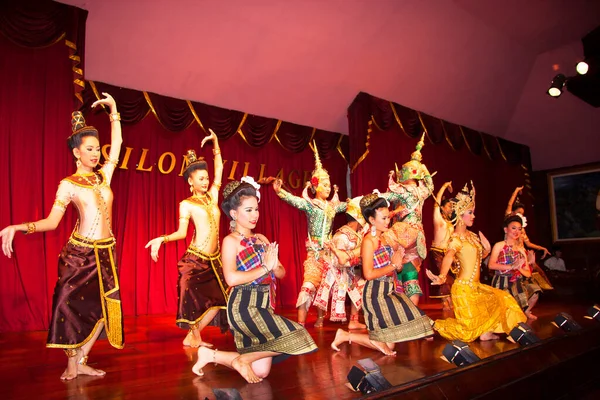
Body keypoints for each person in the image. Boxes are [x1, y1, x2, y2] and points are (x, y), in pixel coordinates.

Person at [0, 94, 124, 380]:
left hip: (106, 252)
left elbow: (116, 147)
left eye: (97, 149)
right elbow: (51, 222)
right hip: (79, 255)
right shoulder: (67, 185)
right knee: (68, 308)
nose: (96, 154)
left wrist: (115, 111)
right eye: (89, 149)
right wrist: (18, 227)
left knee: (107, 309)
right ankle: (72, 361)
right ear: (76, 153)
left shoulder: (104, 176)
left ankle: (83, 360)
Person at [192, 177, 317, 383]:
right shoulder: (230, 241)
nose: (255, 215)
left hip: (264, 304)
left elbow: (281, 273)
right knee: (300, 335)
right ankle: (241, 361)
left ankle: (211, 356)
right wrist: (264, 267)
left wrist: (274, 265)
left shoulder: (262, 239)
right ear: (234, 213)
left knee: (261, 371)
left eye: (256, 209)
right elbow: (231, 278)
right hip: (244, 305)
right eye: (248, 210)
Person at [145, 130, 227, 347]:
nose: (205, 181)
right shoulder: (187, 204)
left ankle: (194, 336)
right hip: (195, 259)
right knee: (190, 298)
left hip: (214, 260)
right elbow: (181, 233)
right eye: (200, 178)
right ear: (190, 180)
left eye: (206, 178)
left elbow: (219, 169)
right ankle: (195, 336)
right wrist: (161, 240)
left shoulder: (213, 197)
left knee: (220, 302)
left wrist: (216, 143)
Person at [330, 192, 434, 355]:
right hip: (375, 294)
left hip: (389, 290)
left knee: (395, 341)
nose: (388, 221)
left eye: (388, 217)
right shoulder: (368, 241)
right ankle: (345, 335)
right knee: (389, 344)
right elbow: (369, 274)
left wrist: (398, 264)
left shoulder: (385, 239)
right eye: (384, 218)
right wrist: (393, 265)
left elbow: (394, 268)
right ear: (372, 220)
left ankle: (344, 335)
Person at [427, 183, 527, 342]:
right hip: (463, 290)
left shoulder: (473, 236)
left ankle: (490, 332)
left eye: (473, 212)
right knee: (467, 334)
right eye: (470, 213)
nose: (473, 216)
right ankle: (433, 325)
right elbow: (449, 256)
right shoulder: (455, 238)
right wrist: (442, 275)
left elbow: (476, 260)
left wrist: (486, 251)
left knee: (503, 298)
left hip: (476, 287)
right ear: (460, 214)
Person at [272, 142, 347, 327]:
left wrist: (361, 203)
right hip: (314, 254)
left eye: (330, 185)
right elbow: (293, 200)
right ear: (314, 186)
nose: (328, 188)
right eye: (324, 184)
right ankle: (300, 324)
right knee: (308, 287)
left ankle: (321, 318)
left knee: (324, 287)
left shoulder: (332, 207)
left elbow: (349, 206)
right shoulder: (310, 205)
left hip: (329, 254)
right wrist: (279, 191)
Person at [382, 134, 434, 306]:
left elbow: (386, 196)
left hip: (403, 233)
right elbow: (430, 185)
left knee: (381, 247)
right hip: (418, 236)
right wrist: (423, 168)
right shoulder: (422, 192)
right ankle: (411, 315)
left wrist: (374, 198)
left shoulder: (403, 190)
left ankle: (409, 314)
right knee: (410, 273)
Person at [314, 196, 367, 329]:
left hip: (348, 269)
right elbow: (339, 260)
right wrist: (356, 260)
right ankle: (320, 318)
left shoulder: (356, 233)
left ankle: (353, 321)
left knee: (360, 288)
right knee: (325, 291)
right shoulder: (343, 235)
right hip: (335, 269)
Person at [489, 215, 542, 321]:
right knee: (506, 308)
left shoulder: (521, 250)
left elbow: (527, 273)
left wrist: (519, 268)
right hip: (501, 280)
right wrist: (511, 266)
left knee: (535, 290)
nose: (516, 231)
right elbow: (491, 265)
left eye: (519, 229)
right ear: (505, 229)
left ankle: (525, 312)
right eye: (513, 228)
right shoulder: (499, 245)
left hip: (516, 281)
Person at [429, 181, 455, 310]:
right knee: (442, 277)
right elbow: (436, 203)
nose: (451, 208)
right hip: (437, 251)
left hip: (447, 252)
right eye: (449, 206)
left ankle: (449, 302)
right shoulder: (438, 219)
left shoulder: (450, 222)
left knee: (450, 279)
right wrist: (444, 186)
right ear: (442, 207)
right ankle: (445, 302)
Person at [505, 186, 550, 258]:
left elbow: (528, 244)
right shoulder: (508, 221)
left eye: (522, 213)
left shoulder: (522, 230)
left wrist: (542, 248)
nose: (520, 215)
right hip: (510, 253)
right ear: (513, 213)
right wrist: (516, 191)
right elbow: (510, 204)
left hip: (521, 253)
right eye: (519, 212)